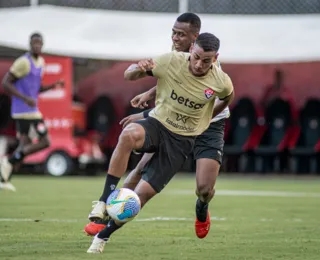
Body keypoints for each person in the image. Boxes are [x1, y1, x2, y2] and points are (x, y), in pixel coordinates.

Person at [85, 13, 230, 240]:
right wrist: (149, 97)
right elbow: (176, 83)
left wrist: (146, 112)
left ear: (195, 37)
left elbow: (203, 93)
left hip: (209, 128)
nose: (175, 38)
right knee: (139, 169)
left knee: (204, 189)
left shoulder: (207, 61)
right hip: (174, 125)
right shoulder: (178, 56)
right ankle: (106, 215)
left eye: (181, 35)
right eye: (174, 32)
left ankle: (202, 207)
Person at [0, 32, 63, 191]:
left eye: (39, 43)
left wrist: (53, 85)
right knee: (45, 141)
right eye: (34, 43)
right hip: (24, 111)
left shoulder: (40, 62)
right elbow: (6, 83)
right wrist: (24, 98)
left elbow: (37, 89)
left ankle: (4, 179)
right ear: (29, 44)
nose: (37, 46)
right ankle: (9, 161)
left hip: (30, 109)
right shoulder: (23, 62)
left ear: (42, 45)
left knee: (25, 144)